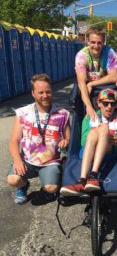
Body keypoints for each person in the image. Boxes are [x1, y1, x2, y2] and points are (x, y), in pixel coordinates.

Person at [7, 74, 70, 204]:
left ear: (52, 91)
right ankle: (23, 186)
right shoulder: (23, 113)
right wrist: (17, 161)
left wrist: (66, 141)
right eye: (40, 92)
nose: (45, 95)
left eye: (48, 92)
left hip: (50, 162)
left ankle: (46, 188)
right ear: (33, 93)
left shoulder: (63, 114)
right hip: (28, 160)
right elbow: (14, 140)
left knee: (51, 188)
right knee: (13, 180)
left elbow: (68, 138)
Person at [60, 88, 117, 196]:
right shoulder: (90, 116)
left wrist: (105, 134)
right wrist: (99, 133)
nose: (109, 107)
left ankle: (93, 176)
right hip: (88, 150)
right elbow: (84, 141)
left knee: (103, 128)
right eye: (105, 103)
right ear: (99, 103)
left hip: (109, 151)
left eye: (112, 104)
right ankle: (83, 180)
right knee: (95, 131)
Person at [75, 28, 117, 120]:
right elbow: (82, 83)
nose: (96, 46)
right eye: (93, 42)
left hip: (104, 87)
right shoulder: (81, 56)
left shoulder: (109, 52)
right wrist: (89, 106)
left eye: (99, 43)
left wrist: (92, 83)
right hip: (88, 87)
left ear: (103, 42)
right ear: (87, 42)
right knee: (78, 98)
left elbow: (113, 76)